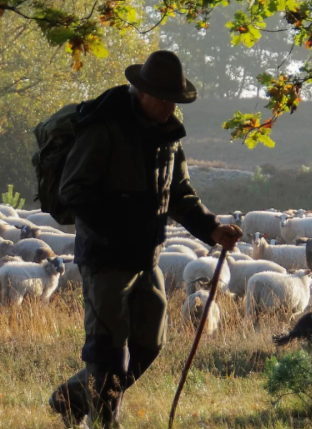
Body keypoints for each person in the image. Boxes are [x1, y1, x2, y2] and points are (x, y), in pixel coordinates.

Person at [48, 50, 242, 428]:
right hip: (105, 258)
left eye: (174, 100)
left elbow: (180, 193)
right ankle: (107, 422)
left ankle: (73, 396)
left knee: (149, 343)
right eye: (164, 98)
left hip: (146, 257)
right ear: (142, 92)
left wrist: (211, 228)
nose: (170, 107)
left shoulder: (167, 136)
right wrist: (117, 225)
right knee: (108, 351)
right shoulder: (104, 129)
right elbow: (73, 190)